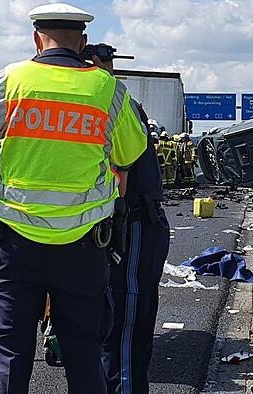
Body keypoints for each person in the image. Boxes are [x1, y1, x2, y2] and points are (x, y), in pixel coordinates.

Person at [0, 2, 147, 394]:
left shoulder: (5, 83)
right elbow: (130, 154)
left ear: (36, 38)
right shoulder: (107, 89)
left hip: (12, 241)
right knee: (83, 350)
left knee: (9, 350)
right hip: (85, 244)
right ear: (83, 42)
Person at [95, 55, 170, 394]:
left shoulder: (117, 104)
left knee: (124, 322)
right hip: (118, 223)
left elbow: (122, 171)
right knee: (115, 322)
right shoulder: (113, 103)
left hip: (131, 222)